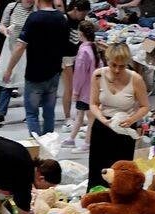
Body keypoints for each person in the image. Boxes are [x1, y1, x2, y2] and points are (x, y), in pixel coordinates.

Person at [87, 42, 149, 190]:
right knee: (98, 170)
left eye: (122, 66)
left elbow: (145, 106)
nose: (116, 70)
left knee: (121, 173)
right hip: (102, 127)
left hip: (124, 129)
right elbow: (93, 104)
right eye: (113, 65)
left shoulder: (136, 79)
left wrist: (132, 119)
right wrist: (102, 119)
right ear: (107, 60)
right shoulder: (97, 75)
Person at [4, 0, 66, 136]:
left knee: (32, 114)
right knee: (49, 113)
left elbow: (20, 46)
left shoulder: (34, 18)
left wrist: (9, 69)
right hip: (54, 73)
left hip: (34, 73)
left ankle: (36, 147)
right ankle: (48, 146)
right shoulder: (61, 18)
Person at [0, 0, 31, 127]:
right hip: (11, 48)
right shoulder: (11, 7)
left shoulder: (36, 10)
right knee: (7, 81)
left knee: (29, 84)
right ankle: (1, 114)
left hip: (28, 50)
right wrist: (5, 31)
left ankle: (30, 114)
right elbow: (1, 25)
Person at [63, 19, 97, 151]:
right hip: (91, 88)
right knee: (81, 115)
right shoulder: (94, 48)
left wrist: (75, 91)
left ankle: (87, 144)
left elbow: (79, 75)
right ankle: (71, 138)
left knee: (89, 117)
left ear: (81, 33)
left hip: (85, 90)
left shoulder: (83, 52)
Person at [59, 0, 88, 131]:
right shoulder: (63, 19)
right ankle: (67, 117)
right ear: (75, 9)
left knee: (80, 86)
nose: (83, 16)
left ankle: (79, 114)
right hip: (66, 58)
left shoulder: (81, 21)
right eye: (82, 13)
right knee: (69, 88)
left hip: (78, 56)